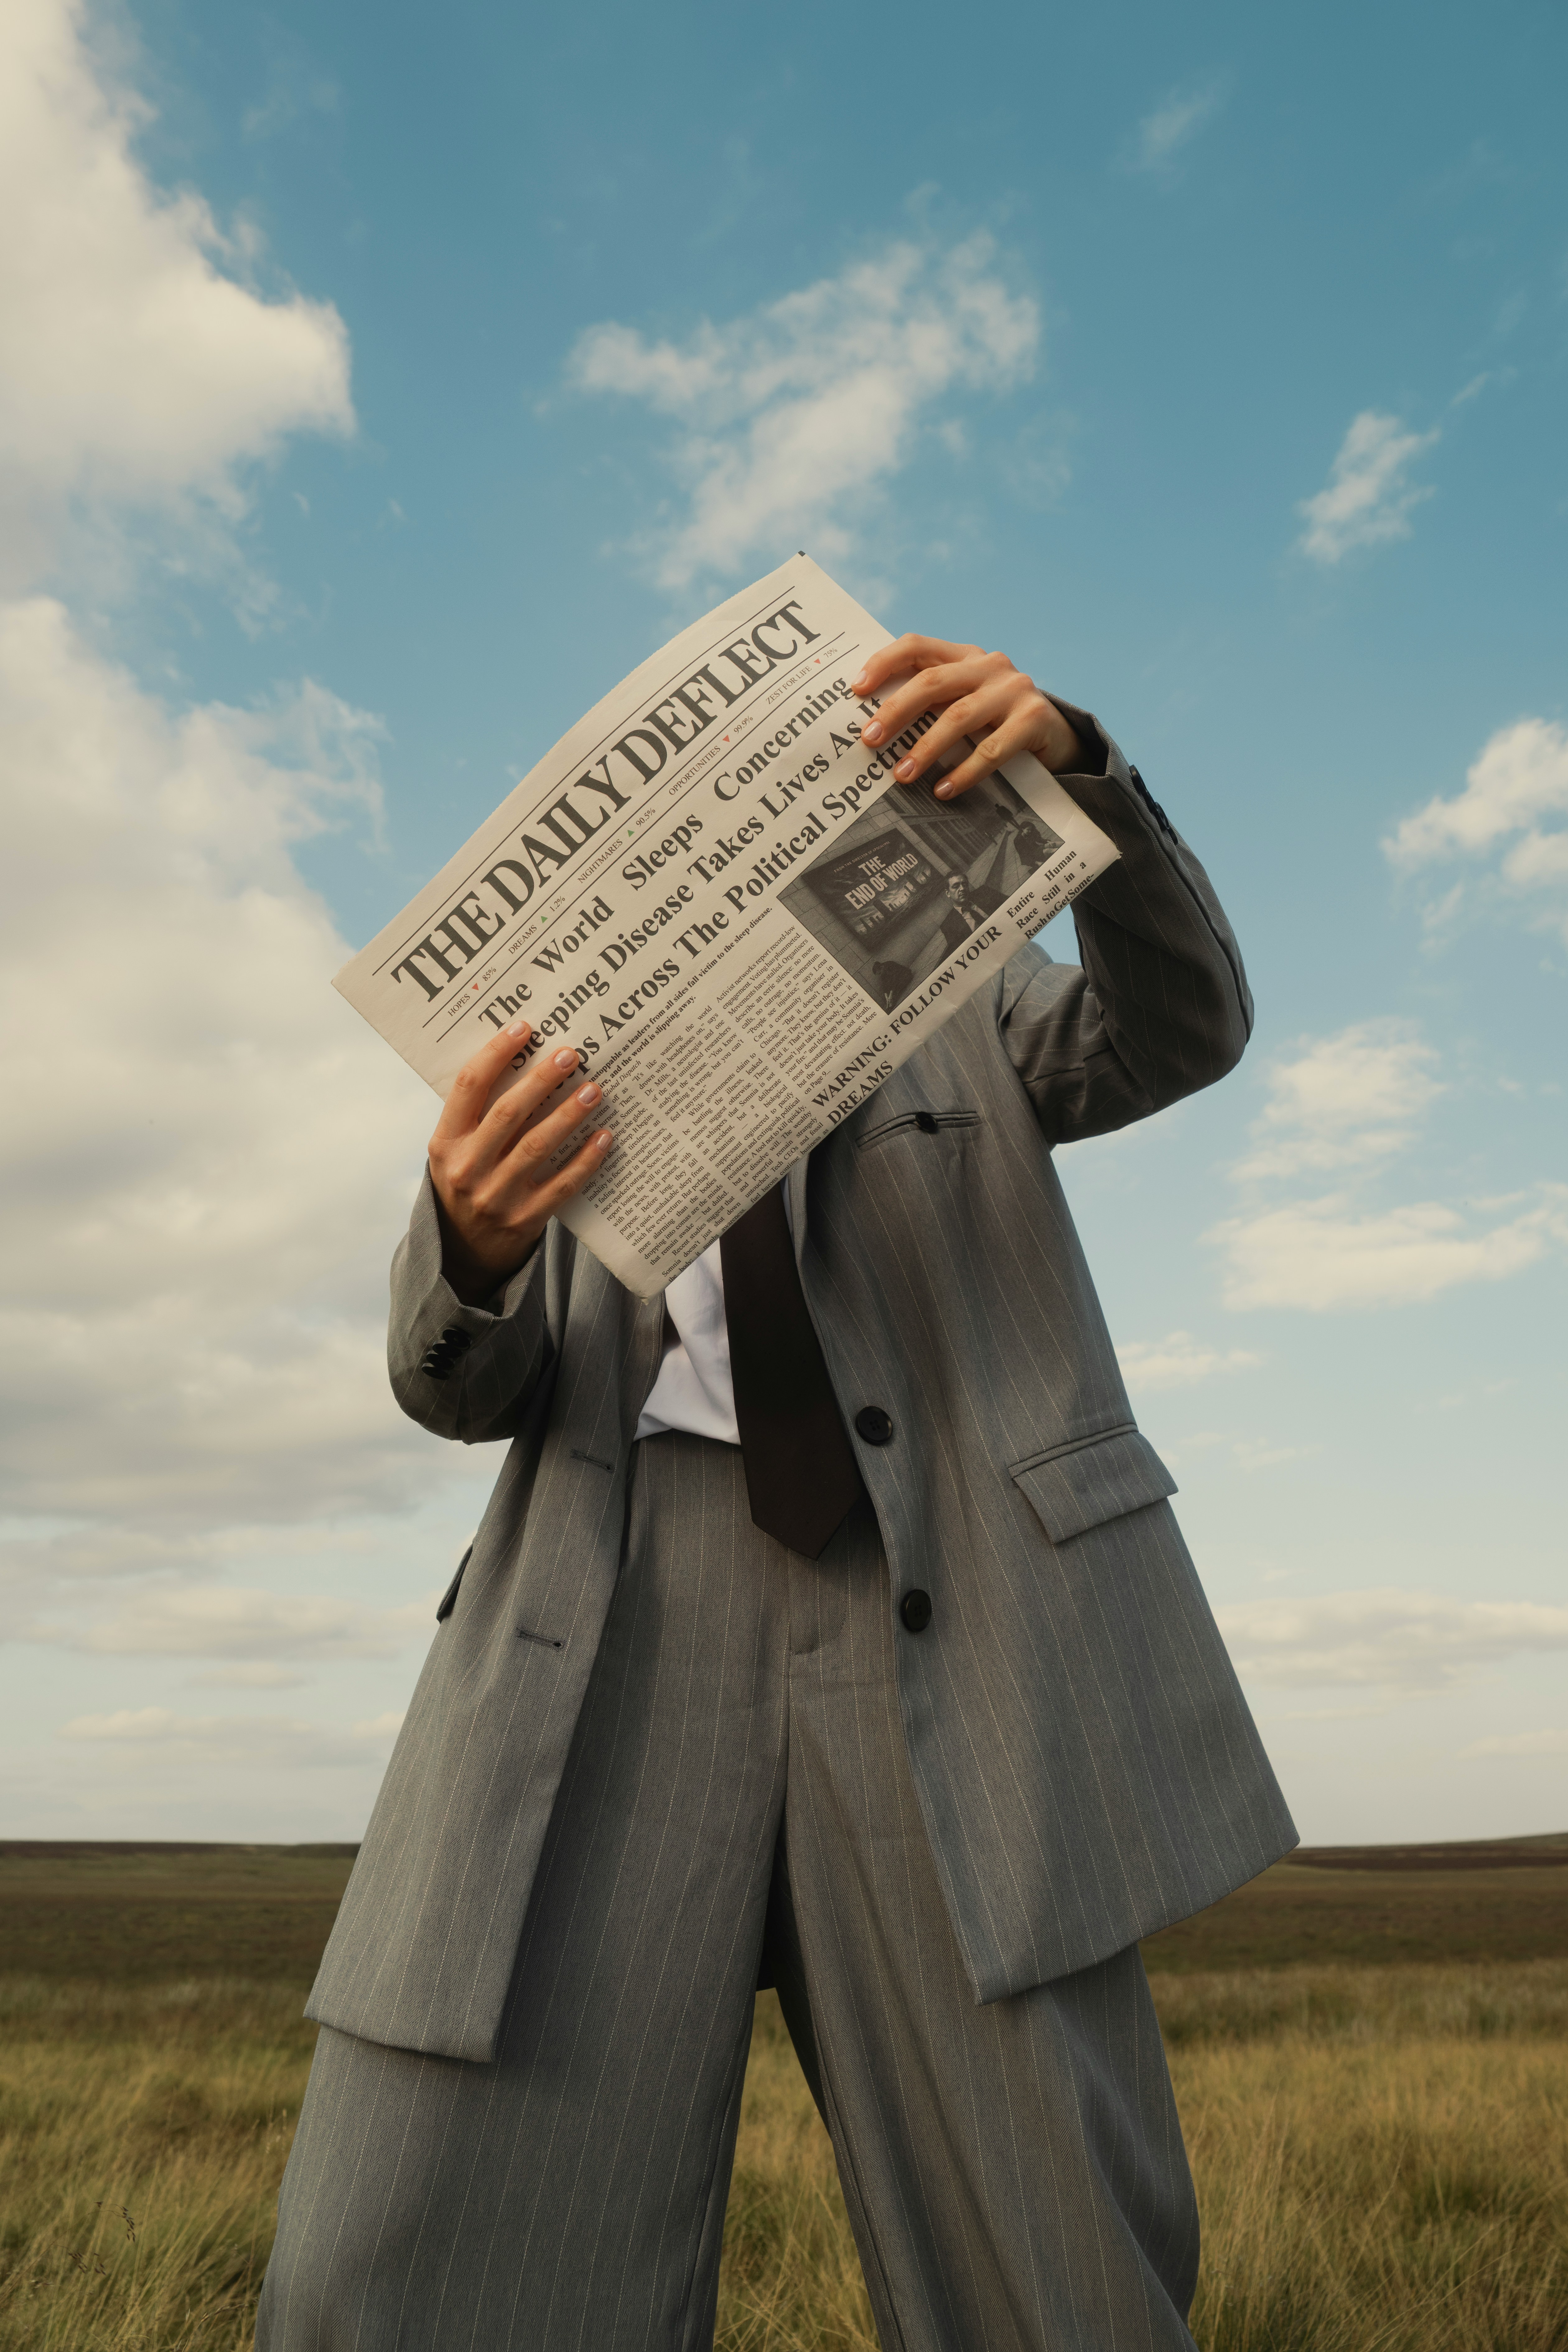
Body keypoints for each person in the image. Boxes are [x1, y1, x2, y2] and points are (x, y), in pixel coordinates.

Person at [257, 636, 1296, 2352]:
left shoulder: (968, 991)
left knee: (1051, 2238)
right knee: (420, 2222)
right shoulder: (541, 1065)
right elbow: (452, 1386)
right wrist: (474, 1238)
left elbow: (1178, 1028)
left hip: (952, 1594)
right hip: (613, 1611)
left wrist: (1079, 771)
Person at [934, 863, 1005, 950]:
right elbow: (962, 951)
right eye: (956, 887)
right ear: (948, 893)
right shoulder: (949, 925)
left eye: (965, 884)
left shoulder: (985, 892)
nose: (962, 889)